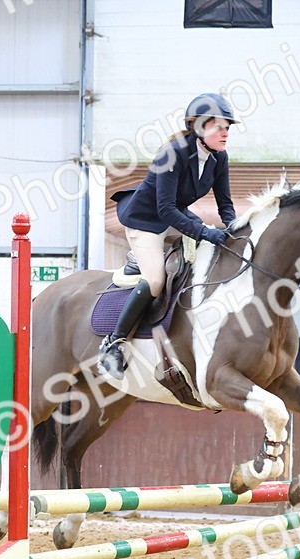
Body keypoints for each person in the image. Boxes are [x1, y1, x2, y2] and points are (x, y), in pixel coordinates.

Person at [99, 93, 239, 378]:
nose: (225, 133)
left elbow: (225, 204)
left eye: (227, 127)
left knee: (208, 253)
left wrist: (234, 230)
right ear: (199, 127)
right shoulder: (172, 153)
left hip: (176, 213)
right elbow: (164, 209)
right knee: (155, 280)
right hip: (146, 220)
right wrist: (204, 232)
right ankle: (114, 343)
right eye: (218, 127)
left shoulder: (219, 157)